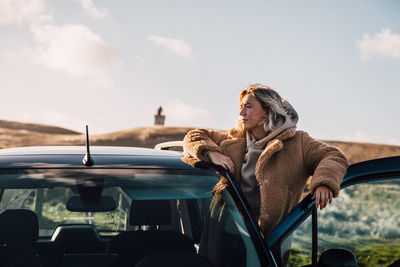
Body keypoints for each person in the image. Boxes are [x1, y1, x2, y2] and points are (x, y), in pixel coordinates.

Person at [182, 84, 348, 238]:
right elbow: (193, 136)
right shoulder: (232, 138)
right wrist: (212, 154)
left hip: (268, 243)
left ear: (267, 111)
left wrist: (324, 182)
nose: (241, 113)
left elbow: (332, 156)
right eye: (241, 107)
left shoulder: (298, 142)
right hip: (223, 234)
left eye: (248, 107)